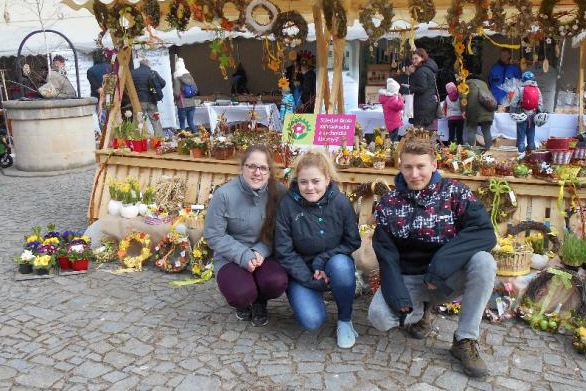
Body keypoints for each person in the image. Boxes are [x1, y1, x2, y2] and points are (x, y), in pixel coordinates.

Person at [368, 137, 497, 378]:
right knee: (379, 318)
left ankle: (464, 340)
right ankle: (421, 311)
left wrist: (440, 266)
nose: (414, 173)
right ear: (400, 166)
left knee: (484, 262)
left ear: (434, 165)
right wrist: (398, 298)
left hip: (446, 277)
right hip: (410, 278)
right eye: (408, 167)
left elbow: (484, 233)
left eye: (421, 166)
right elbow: (386, 254)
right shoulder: (388, 203)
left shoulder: (456, 193)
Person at [274, 151, 361, 348]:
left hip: (333, 264)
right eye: (304, 182)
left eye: (316, 181)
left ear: (327, 179)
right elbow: (284, 251)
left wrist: (323, 259)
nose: (310, 187)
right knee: (312, 321)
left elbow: (352, 241)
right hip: (301, 270)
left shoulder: (340, 203)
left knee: (341, 266)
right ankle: (312, 297)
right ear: (297, 181)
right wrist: (310, 279)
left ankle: (345, 320)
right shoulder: (287, 205)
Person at [204, 145, 288, 327]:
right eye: (251, 166)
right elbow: (213, 235)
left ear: (269, 171)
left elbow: (281, 232)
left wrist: (260, 251)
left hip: (264, 254)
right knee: (241, 293)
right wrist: (243, 255)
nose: (257, 172)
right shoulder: (224, 195)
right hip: (230, 257)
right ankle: (244, 302)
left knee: (277, 282)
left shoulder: (279, 193)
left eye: (263, 168)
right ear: (242, 167)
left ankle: (260, 301)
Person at [403, 48, 439, 131]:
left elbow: (422, 88)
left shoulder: (421, 71)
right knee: (428, 133)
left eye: (416, 58)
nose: (414, 61)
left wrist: (410, 87)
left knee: (420, 135)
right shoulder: (428, 69)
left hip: (422, 108)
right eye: (413, 59)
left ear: (422, 58)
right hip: (429, 104)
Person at [509, 71, 544, 154]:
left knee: (521, 136)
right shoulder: (537, 89)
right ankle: (531, 153)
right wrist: (539, 112)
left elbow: (513, 103)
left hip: (521, 115)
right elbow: (540, 103)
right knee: (531, 135)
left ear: (523, 79)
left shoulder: (520, 89)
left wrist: (513, 111)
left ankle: (521, 155)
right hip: (532, 115)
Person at [131, 57, 165, 136]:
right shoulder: (152, 72)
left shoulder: (133, 73)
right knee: (155, 120)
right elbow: (163, 83)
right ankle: (159, 139)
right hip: (152, 101)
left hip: (139, 101)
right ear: (148, 64)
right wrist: (155, 91)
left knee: (139, 121)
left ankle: (139, 139)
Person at [463, 74, 494, 149]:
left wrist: (463, 110)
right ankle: (490, 150)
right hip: (488, 110)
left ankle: (468, 151)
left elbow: (463, 98)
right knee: (486, 131)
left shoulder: (466, 85)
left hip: (473, 111)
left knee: (471, 129)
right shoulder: (484, 84)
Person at [172, 57, 199, 133]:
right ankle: (196, 135)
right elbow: (196, 90)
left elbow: (177, 93)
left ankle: (183, 140)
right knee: (191, 122)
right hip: (192, 104)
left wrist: (173, 92)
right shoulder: (190, 77)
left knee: (182, 123)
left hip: (182, 105)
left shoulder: (177, 78)